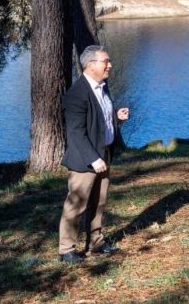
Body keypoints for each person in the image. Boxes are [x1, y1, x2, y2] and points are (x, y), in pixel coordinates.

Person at [58, 45, 130, 264]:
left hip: (104, 154)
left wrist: (116, 117)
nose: (110, 65)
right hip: (85, 160)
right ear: (90, 65)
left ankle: (96, 241)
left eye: (109, 61)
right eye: (105, 61)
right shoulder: (76, 94)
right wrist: (93, 158)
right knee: (76, 205)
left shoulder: (103, 85)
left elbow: (99, 121)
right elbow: (76, 133)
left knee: (99, 202)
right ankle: (66, 249)